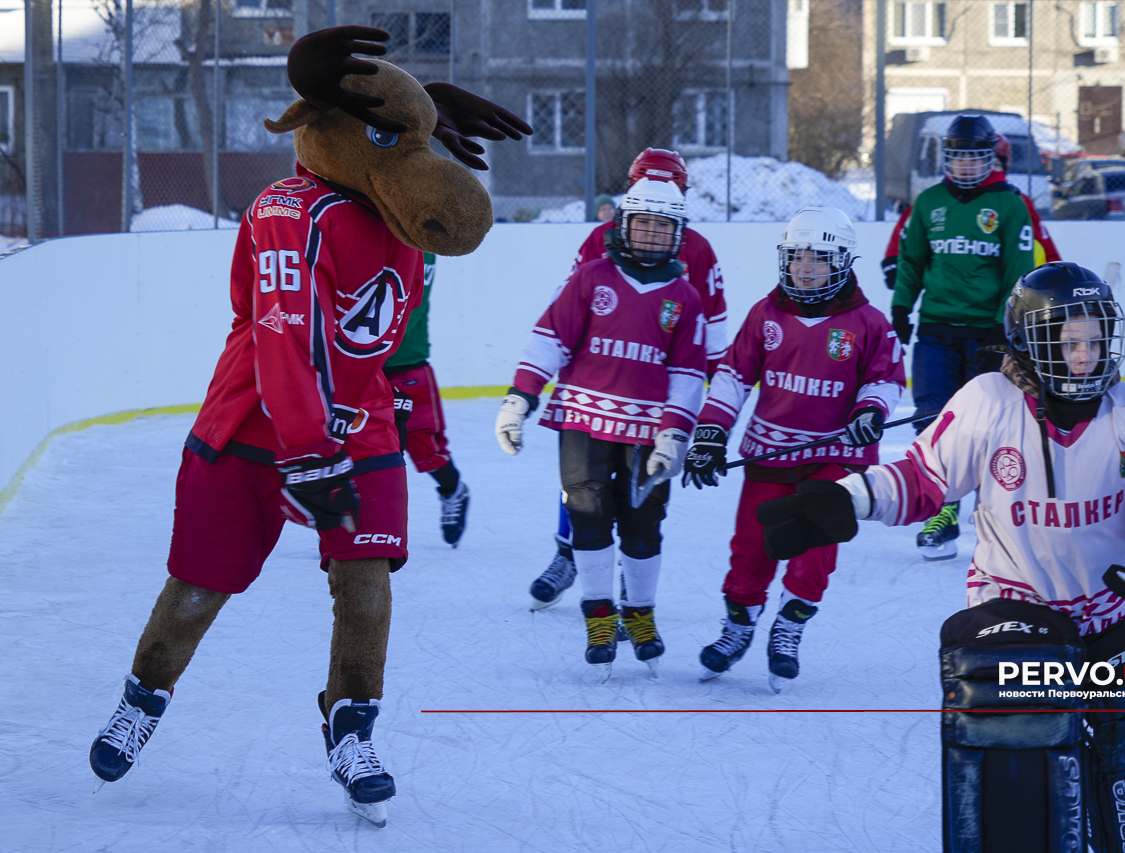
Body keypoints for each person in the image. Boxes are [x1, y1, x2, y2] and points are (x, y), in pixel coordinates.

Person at [86, 26, 531, 828]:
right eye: (392, 138)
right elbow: (283, 336)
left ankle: (350, 725)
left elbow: (389, 344)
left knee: (367, 587)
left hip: (354, 433)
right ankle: (142, 697)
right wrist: (309, 452)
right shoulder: (289, 210)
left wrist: (398, 434)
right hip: (255, 424)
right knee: (199, 587)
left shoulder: (394, 214)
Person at [757, 262, 1125, 852]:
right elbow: (920, 478)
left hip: (1112, 616)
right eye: (1067, 341)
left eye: (1095, 341)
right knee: (1020, 767)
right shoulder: (987, 402)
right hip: (1012, 615)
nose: (1085, 357)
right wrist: (850, 500)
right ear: (1027, 341)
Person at [682, 207, 905, 692]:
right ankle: (738, 628)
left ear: (843, 262)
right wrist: (711, 432)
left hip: (834, 459)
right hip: (768, 455)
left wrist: (870, 412)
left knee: (815, 550)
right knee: (751, 549)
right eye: (797, 256)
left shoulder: (867, 322)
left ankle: (788, 629)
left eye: (818, 258)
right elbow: (733, 376)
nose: (805, 267)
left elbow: (886, 379)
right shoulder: (765, 315)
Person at [495, 178, 706, 680]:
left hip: (647, 430)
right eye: (643, 224)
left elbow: (689, 374)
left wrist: (674, 433)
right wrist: (519, 398)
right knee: (587, 517)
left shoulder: (685, 297)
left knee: (642, 525)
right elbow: (549, 341)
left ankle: (640, 613)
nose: (652, 234)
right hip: (583, 419)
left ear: (677, 234)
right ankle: (599, 617)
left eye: (663, 227)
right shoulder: (591, 278)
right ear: (622, 227)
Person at [527, 147, 729, 611]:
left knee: (641, 499)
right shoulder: (601, 238)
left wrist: (710, 408)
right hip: (596, 385)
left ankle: (630, 585)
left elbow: (711, 325)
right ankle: (568, 554)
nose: (658, 206)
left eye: (672, 191)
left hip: (656, 397)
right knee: (582, 485)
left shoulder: (696, 248)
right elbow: (568, 305)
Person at [891, 115, 1037, 560]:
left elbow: (1020, 270)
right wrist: (901, 306)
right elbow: (911, 259)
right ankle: (942, 509)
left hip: (988, 334)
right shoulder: (929, 201)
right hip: (936, 330)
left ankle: (994, 512)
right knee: (932, 419)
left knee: (992, 426)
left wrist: (1003, 325)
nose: (966, 166)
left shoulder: (1011, 205)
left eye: (975, 157)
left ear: (990, 158)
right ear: (946, 158)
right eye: (957, 157)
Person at [881, 133, 1060, 291]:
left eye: (995, 164)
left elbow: (1043, 243)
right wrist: (894, 260)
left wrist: (1053, 276)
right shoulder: (942, 198)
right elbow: (909, 228)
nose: (986, 171)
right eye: (966, 161)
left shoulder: (1016, 201)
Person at [383, 252, 470, 547]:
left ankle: (452, 488)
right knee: (356, 446)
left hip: (407, 362)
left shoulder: (421, 246)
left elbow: (411, 307)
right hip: (360, 364)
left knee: (425, 447)